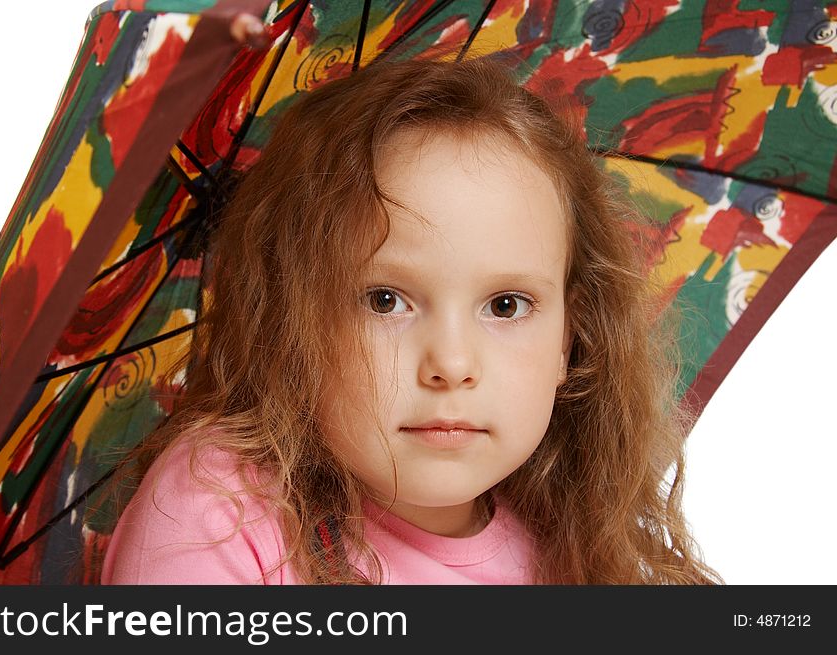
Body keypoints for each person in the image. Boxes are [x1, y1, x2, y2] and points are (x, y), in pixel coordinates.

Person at [100, 50, 722, 585]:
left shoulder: (576, 547)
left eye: (506, 306)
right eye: (385, 300)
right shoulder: (215, 512)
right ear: (294, 319)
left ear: (567, 337)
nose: (451, 364)